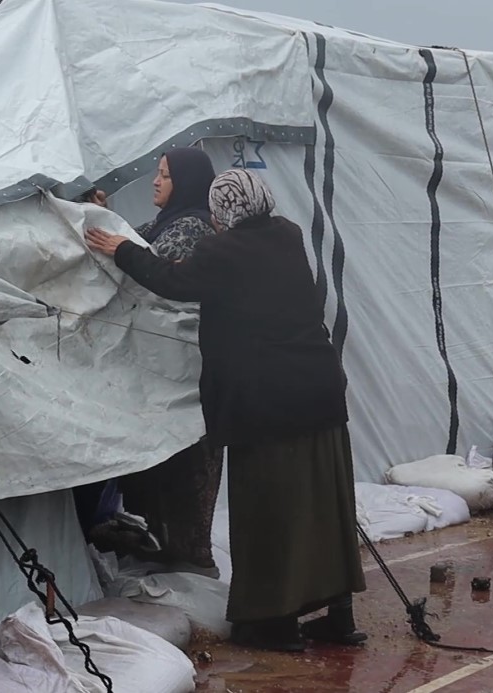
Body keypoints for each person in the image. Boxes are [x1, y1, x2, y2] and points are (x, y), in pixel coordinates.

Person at [85, 169, 367, 652]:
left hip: (268, 407)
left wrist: (123, 250)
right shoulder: (287, 236)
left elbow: (170, 281)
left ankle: (272, 624)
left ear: (224, 212)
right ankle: (339, 616)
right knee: (327, 509)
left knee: (268, 512)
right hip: (318, 395)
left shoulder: (222, 252)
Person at [77, 148, 225, 577]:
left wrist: (117, 243)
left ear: (187, 182)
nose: (155, 182)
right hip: (162, 370)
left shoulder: (191, 228)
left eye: (164, 175)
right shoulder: (168, 222)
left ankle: (190, 555)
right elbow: (131, 241)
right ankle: (170, 546)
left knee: (183, 466)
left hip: (182, 373)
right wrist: (104, 219)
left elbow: (151, 269)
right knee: (161, 468)